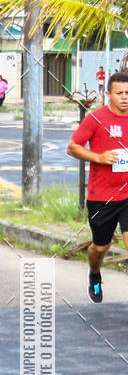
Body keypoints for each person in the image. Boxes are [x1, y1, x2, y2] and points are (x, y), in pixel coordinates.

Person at [67, 71, 128, 303]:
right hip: (102, 196)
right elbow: (73, 147)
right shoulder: (95, 119)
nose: (124, 97)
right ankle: (94, 273)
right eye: (119, 93)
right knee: (100, 248)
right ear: (108, 94)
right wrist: (99, 157)